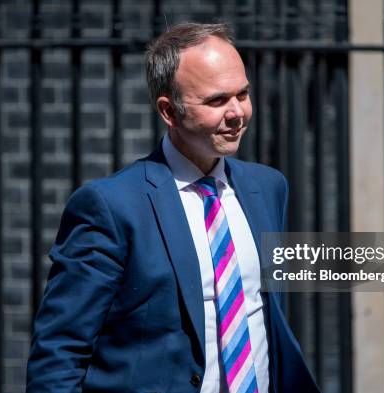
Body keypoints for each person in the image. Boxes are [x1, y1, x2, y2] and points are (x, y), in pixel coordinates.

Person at [26, 22, 320, 393]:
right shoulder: (111, 207)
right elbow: (60, 352)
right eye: (216, 100)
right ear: (169, 111)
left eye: (242, 94)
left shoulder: (268, 186)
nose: (237, 113)